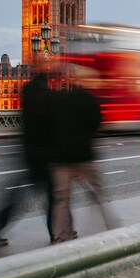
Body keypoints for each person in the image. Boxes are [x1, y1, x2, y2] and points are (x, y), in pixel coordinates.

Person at [0, 72, 55, 246]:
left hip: (28, 150)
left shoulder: (27, 92)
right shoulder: (45, 97)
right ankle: (55, 232)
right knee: (53, 196)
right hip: (41, 154)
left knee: (18, 197)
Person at [48, 72, 113, 243]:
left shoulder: (61, 99)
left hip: (61, 157)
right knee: (96, 193)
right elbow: (97, 122)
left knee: (62, 200)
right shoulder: (90, 99)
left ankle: (61, 236)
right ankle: (112, 227)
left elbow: (52, 124)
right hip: (83, 155)